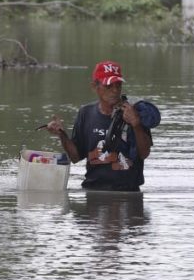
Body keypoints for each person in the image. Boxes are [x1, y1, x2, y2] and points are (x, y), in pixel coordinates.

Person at [46, 60, 155, 191]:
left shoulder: (134, 112)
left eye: (118, 85)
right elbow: (75, 157)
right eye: (109, 86)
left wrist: (136, 124)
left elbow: (144, 154)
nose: (115, 90)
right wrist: (62, 135)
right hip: (93, 190)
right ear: (94, 86)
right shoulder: (85, 113)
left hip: (128, 191)